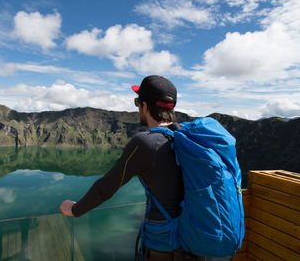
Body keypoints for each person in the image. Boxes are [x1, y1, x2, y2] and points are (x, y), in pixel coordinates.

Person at [60, 75, 203, 260]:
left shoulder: (145, 143)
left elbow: (106, 187)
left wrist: (75, 209)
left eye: (137, 102)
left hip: (164, 246)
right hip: (197, 240)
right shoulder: (189, 137)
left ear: (144, 105)